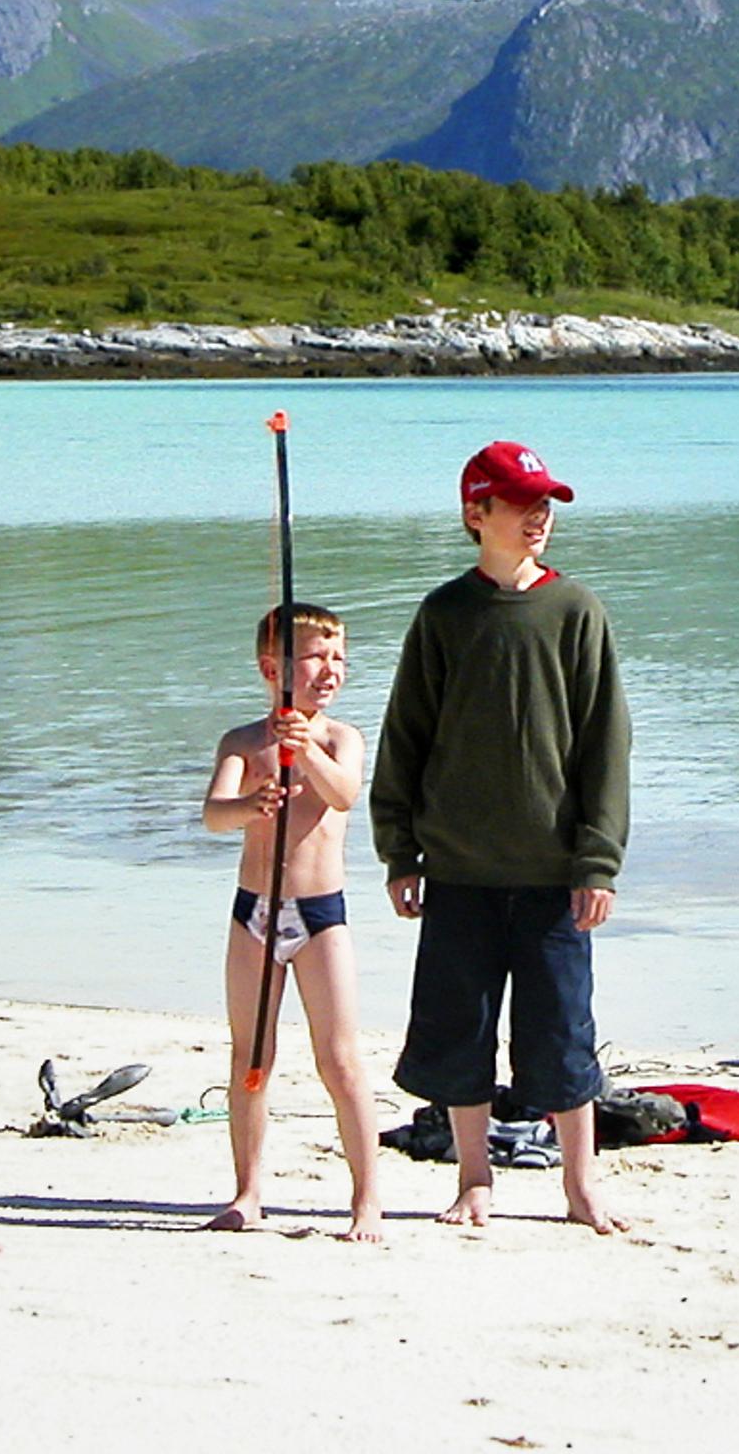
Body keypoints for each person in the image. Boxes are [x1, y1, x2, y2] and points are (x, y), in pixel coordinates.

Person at [373, 441, 634, 1235]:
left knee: (562, 1032)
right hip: (458, 868)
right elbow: (405, 738)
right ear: (475, 514)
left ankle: (580, 1184)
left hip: (556, 871)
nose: (540, 517)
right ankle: (474, 1177)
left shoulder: (575, 609)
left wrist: (598, 860)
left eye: (545, 503)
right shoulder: (444, 614)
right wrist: (398, 850)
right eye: (523, 504)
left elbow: (604, 744)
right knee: (459, 1031)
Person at [197, 601, 384, 1240]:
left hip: (320, 917)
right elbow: (214, 814)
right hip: (253, 912)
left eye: (339, 659)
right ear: (271, 666)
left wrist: (304, 752)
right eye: (314, 657)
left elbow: (344, 794)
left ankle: (366, 1198)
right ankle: (248, 1190)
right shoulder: (244, 742)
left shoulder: (340, 739)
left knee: (339, 1059)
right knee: (252, 1054)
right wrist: (251, 802)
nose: (330, 670)